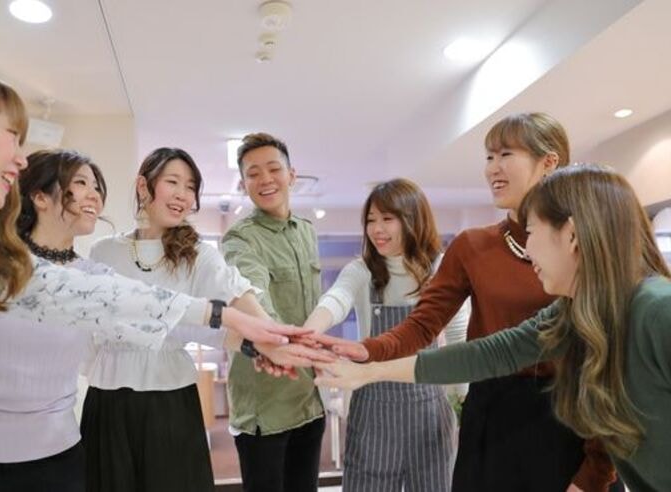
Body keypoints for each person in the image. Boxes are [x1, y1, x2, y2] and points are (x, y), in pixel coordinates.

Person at [0, 68, 296, 491]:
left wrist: (247, 334)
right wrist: (234, 323)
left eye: (191, 186)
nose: (20, 158)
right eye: (12, 136)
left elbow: (126, 307)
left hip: (54, 453)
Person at [315, 164, 671, 492]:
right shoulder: (574, 311)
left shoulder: (658, 312)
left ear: (572, 235)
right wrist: (369, 370)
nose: (526, 250)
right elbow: (490, 353)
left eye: (530, 232)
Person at [81, 147, 329, 492]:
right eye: (173, 182)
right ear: (143, 185)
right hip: (108, 401)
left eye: (191, 187)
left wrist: (271, 339)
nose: (183, 195)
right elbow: (90, 328)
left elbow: (236, 292)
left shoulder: (198, 254)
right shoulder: (104, 252)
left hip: (172, 400)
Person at [0, 149, 111, 492]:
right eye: (82, 183)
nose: (95, 195)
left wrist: (221, 320)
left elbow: (157, 314)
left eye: (97, 187)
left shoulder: (95, 279)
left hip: (55, 461)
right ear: (40, 197)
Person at [301, 178, 468, 491]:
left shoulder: (440, 268)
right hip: (373, 413)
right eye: (370, 220)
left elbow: (459, 336)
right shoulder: (361, 270)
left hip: (429, 414)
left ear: (412, 218)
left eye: (387, 219)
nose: (376, 229)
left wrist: (464, 400)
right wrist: (306, 335)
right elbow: (336, 300)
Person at [221, 133, 326, 492]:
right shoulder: (239, 239)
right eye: (253, 174)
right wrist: (276, 340)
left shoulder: (307, 232)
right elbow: (252, 296)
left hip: (309, 400)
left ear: (291, 175)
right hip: (265, 407)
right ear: (243, 184)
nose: (265, 179)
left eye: (273, 169)